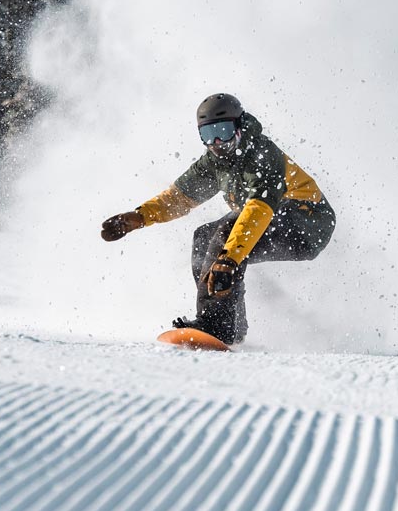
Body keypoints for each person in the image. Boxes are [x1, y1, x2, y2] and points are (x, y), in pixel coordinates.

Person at [101, 93, 336, 345]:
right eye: (207, 134)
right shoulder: (215, 162)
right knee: (203, 237)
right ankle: (231, 325)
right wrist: (140, 216)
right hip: (270, 219)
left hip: (307, 222)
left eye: (223, 131)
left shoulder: (261, 154)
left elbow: (258, 210)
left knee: (228, 235)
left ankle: (215, 324)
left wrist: (230, 259)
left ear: (239, 127)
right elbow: (179, 197)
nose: (216, 142)